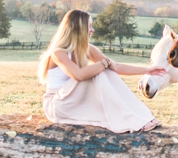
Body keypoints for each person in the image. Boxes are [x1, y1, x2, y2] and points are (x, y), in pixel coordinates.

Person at [37, 9, 165, 133]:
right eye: (89, 26)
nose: (92, 30)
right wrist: (104, 63)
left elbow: (116, 67)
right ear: (78, 29)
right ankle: (132, 119)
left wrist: (147, 70)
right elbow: (78, 75)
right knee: (101, 70)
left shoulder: (87, 49)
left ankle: (139, 117)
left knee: (106, 71)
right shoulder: (58, 53)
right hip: (57, 104)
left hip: (74, 100)